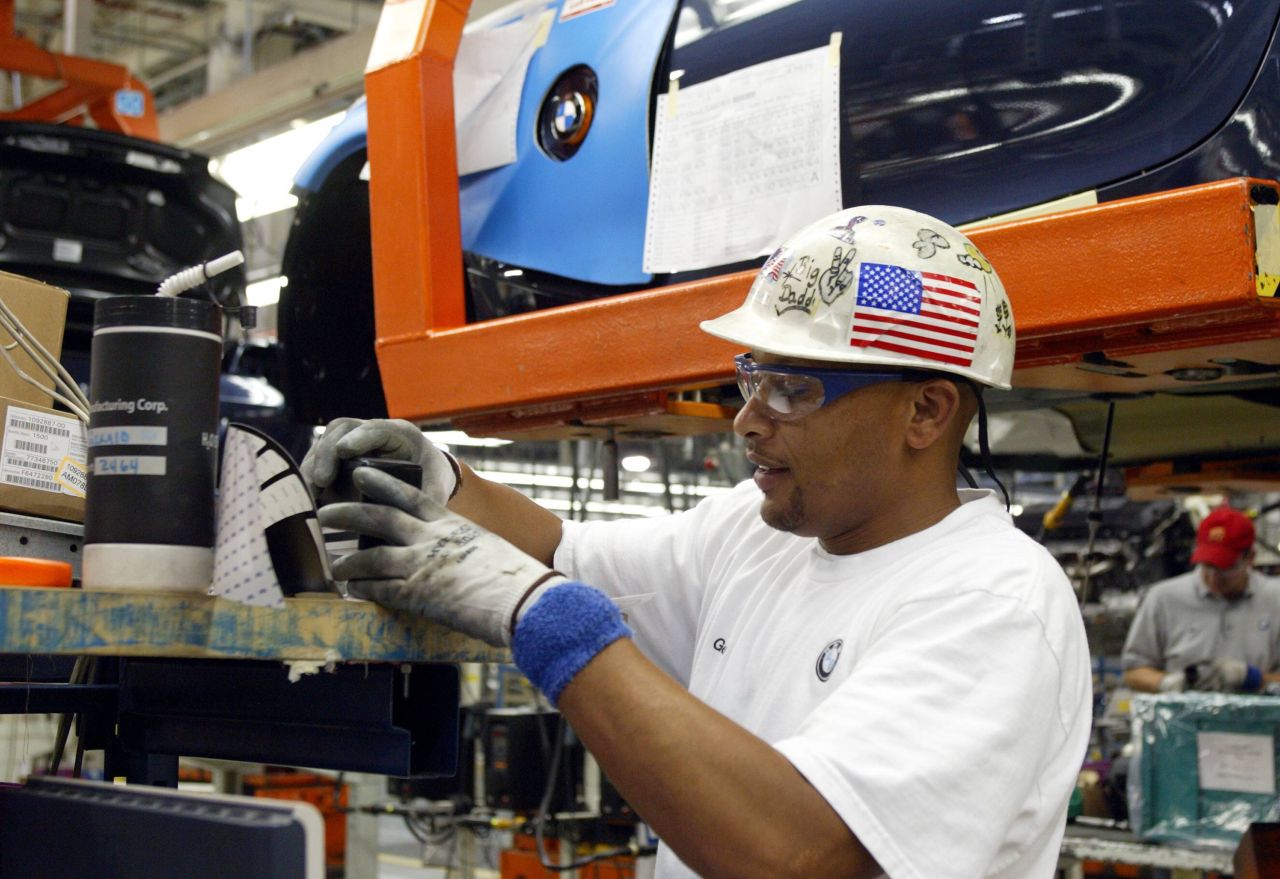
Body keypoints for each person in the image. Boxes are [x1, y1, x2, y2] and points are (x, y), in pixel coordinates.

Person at [304, 206, 1093, 879]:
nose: (748, 419)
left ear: (926, 411)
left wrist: (542, 615)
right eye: (752, 377)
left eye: (793, 389)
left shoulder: (992, 600)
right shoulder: (755, 535)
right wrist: (440, 481)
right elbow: (555, 553)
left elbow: (798, 854)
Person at [1122, 506, 1280, 694]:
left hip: (1260, 713)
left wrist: (1255, 678)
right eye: (1207, 565)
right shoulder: (1163, 598)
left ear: (1250, 558)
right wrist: (1167, 683)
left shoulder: (1275, 599)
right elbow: (1133, 671)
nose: (1213, 577)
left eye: (1224, 567)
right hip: (1182, 713)